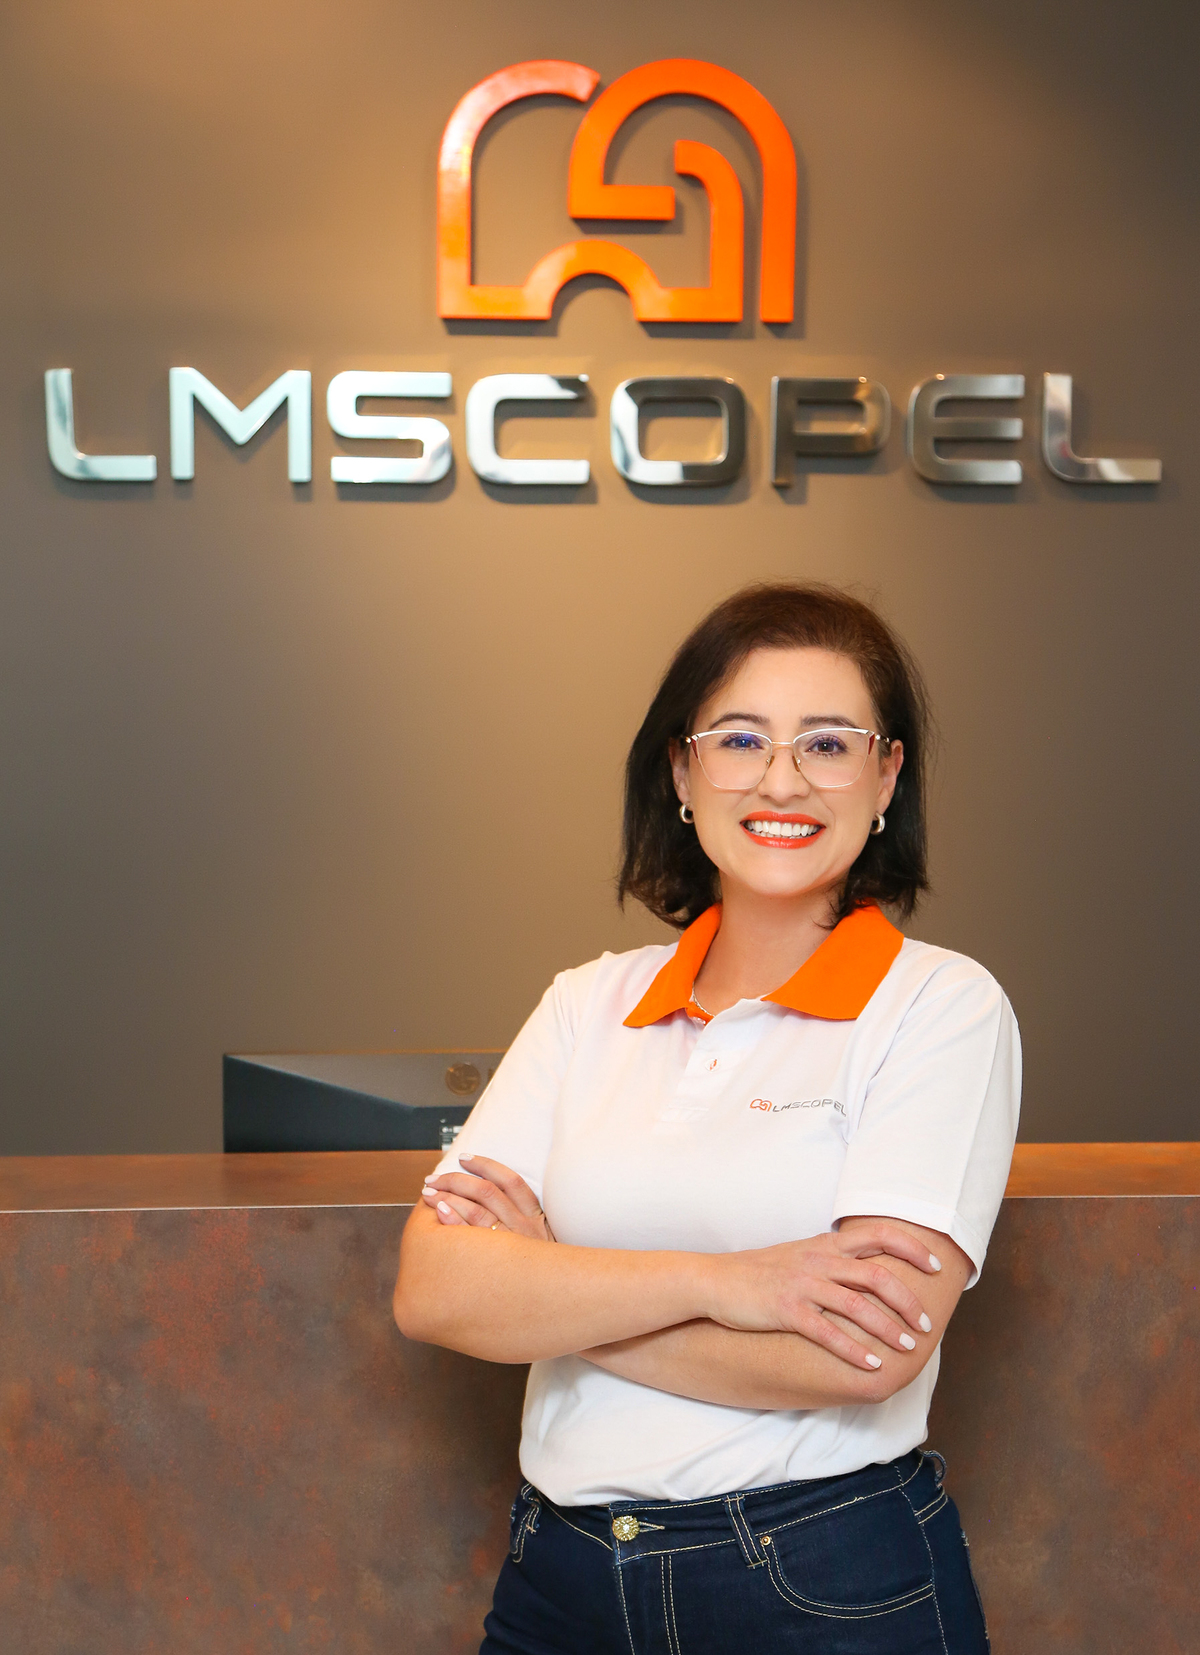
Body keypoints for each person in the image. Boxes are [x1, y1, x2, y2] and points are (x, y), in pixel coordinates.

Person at [394, 582, 1020, 1655]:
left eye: (829, 743)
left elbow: (866, 1354)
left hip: (820, 1581)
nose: (782, 780)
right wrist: (726, 1282)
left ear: (886, 776)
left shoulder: (941, 1006)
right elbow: (435, 1288)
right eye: (739, 739)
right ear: (683, 773)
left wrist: (557, 1289)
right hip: (561, 1581)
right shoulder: (588, 1001)